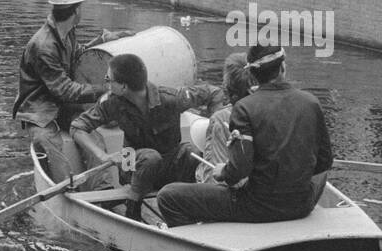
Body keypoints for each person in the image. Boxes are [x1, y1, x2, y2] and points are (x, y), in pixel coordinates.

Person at [157, 44, 333, 228]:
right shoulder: (311, 102)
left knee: (167, 196)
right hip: (302, 204)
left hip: (257, 207)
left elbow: (238, 171)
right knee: (320, 175)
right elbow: (324, 162)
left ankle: (203, 237)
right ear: (283, 67)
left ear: (255, 75)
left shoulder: (245, 108)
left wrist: (222, 171)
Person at [71, 53, 225, 221]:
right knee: (150, 157)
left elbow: (214, 92)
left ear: (123, 87)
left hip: (168, 164)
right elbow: (77, 127)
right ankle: (133, 207)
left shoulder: (171, 99)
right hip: (132, 166)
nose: (106, 83)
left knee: (192, 152)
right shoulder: (112, 102)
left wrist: (213, 129)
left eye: (108, 79)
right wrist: (102, 156)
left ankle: (190, 207)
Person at [12, 0, 106, 182]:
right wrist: (103, 89)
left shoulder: (67, 33)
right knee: (51, 146)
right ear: (76, 11)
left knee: (94, 138)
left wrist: (101, 41)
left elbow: (75, 56)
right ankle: (65, 191)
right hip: (40, 111)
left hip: (64, 107)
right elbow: (65, 90)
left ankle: (103, 192)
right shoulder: (44, 46)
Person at [194, 53, 253, 184]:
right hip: (278, 193)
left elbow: (214, 180)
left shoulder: (222, 119)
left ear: (227, 90)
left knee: (168, 194)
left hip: (243, 197)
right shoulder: (276, 110)